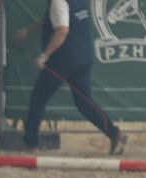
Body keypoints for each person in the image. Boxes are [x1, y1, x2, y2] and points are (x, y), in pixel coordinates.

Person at [14, 0, 127, 155]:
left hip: (63, 61)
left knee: (38, 98)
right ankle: (114, 133)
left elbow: (62, 30)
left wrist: (44, 56)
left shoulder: (58, 1)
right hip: (82, 58)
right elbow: (56, 18)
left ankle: (30, 142)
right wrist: (29, 30)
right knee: (84, 103)